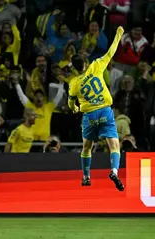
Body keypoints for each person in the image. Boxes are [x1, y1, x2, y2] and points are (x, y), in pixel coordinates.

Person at [68, 26, 125, 191]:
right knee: (114, 145)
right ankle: (114, 171)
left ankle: (86, 176)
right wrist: (118, 34)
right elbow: (110, 52)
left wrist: (74, 109)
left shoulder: (74, 84)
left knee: (87, 147)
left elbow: (71, 102)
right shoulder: (96, 66)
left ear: (74, 68)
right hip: (105, 111)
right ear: (85, 64)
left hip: (89, 116)